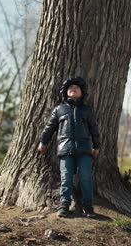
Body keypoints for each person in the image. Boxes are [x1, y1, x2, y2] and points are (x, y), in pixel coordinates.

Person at [38, 76, 100, 218]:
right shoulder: (59, 109)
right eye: (70, 88)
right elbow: (49, 127)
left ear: (82, 92)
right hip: (65, 149)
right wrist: (43, 141)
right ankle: (64, 205)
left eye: (76, 88)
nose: (73, 89)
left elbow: (94, 129)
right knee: (66, 177)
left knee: (85, 177)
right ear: (65, 92)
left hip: (84, 149)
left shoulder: (87, 110)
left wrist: (96, 145)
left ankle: (88, 206)